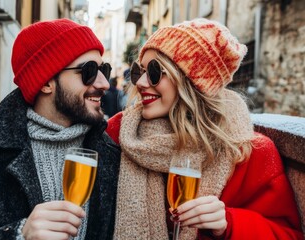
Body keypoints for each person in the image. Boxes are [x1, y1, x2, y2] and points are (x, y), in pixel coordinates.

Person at [106, 18, 303, 239]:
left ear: (191, 81)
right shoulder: (121, 133)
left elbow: (288, 235)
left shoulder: (248, 151)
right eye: (137, 71)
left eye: (153, 72)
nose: (140, 83)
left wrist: (228, 223)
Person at [0, 18, 120, 240]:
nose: (104, 83)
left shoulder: (112, 156)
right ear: (45, 82)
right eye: (89, 71)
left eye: (104, 69)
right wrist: (18, 234)